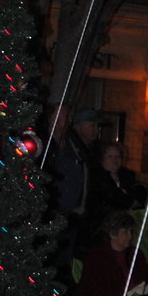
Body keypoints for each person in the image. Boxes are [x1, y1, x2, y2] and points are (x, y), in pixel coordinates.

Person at [51, 107, 101, 284]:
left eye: (66, 117)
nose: (62, 122)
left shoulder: (80, 148)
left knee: (66, 259)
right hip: (57, 212)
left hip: (73, 214)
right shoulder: (56, 145)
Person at [74, 210, 148, 296]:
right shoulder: (97, 256)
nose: (129, 236)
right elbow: (96, 292)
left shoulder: (136, 254)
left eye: (130, 231)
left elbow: (147, 279)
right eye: (125, 232)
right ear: (112, 234)